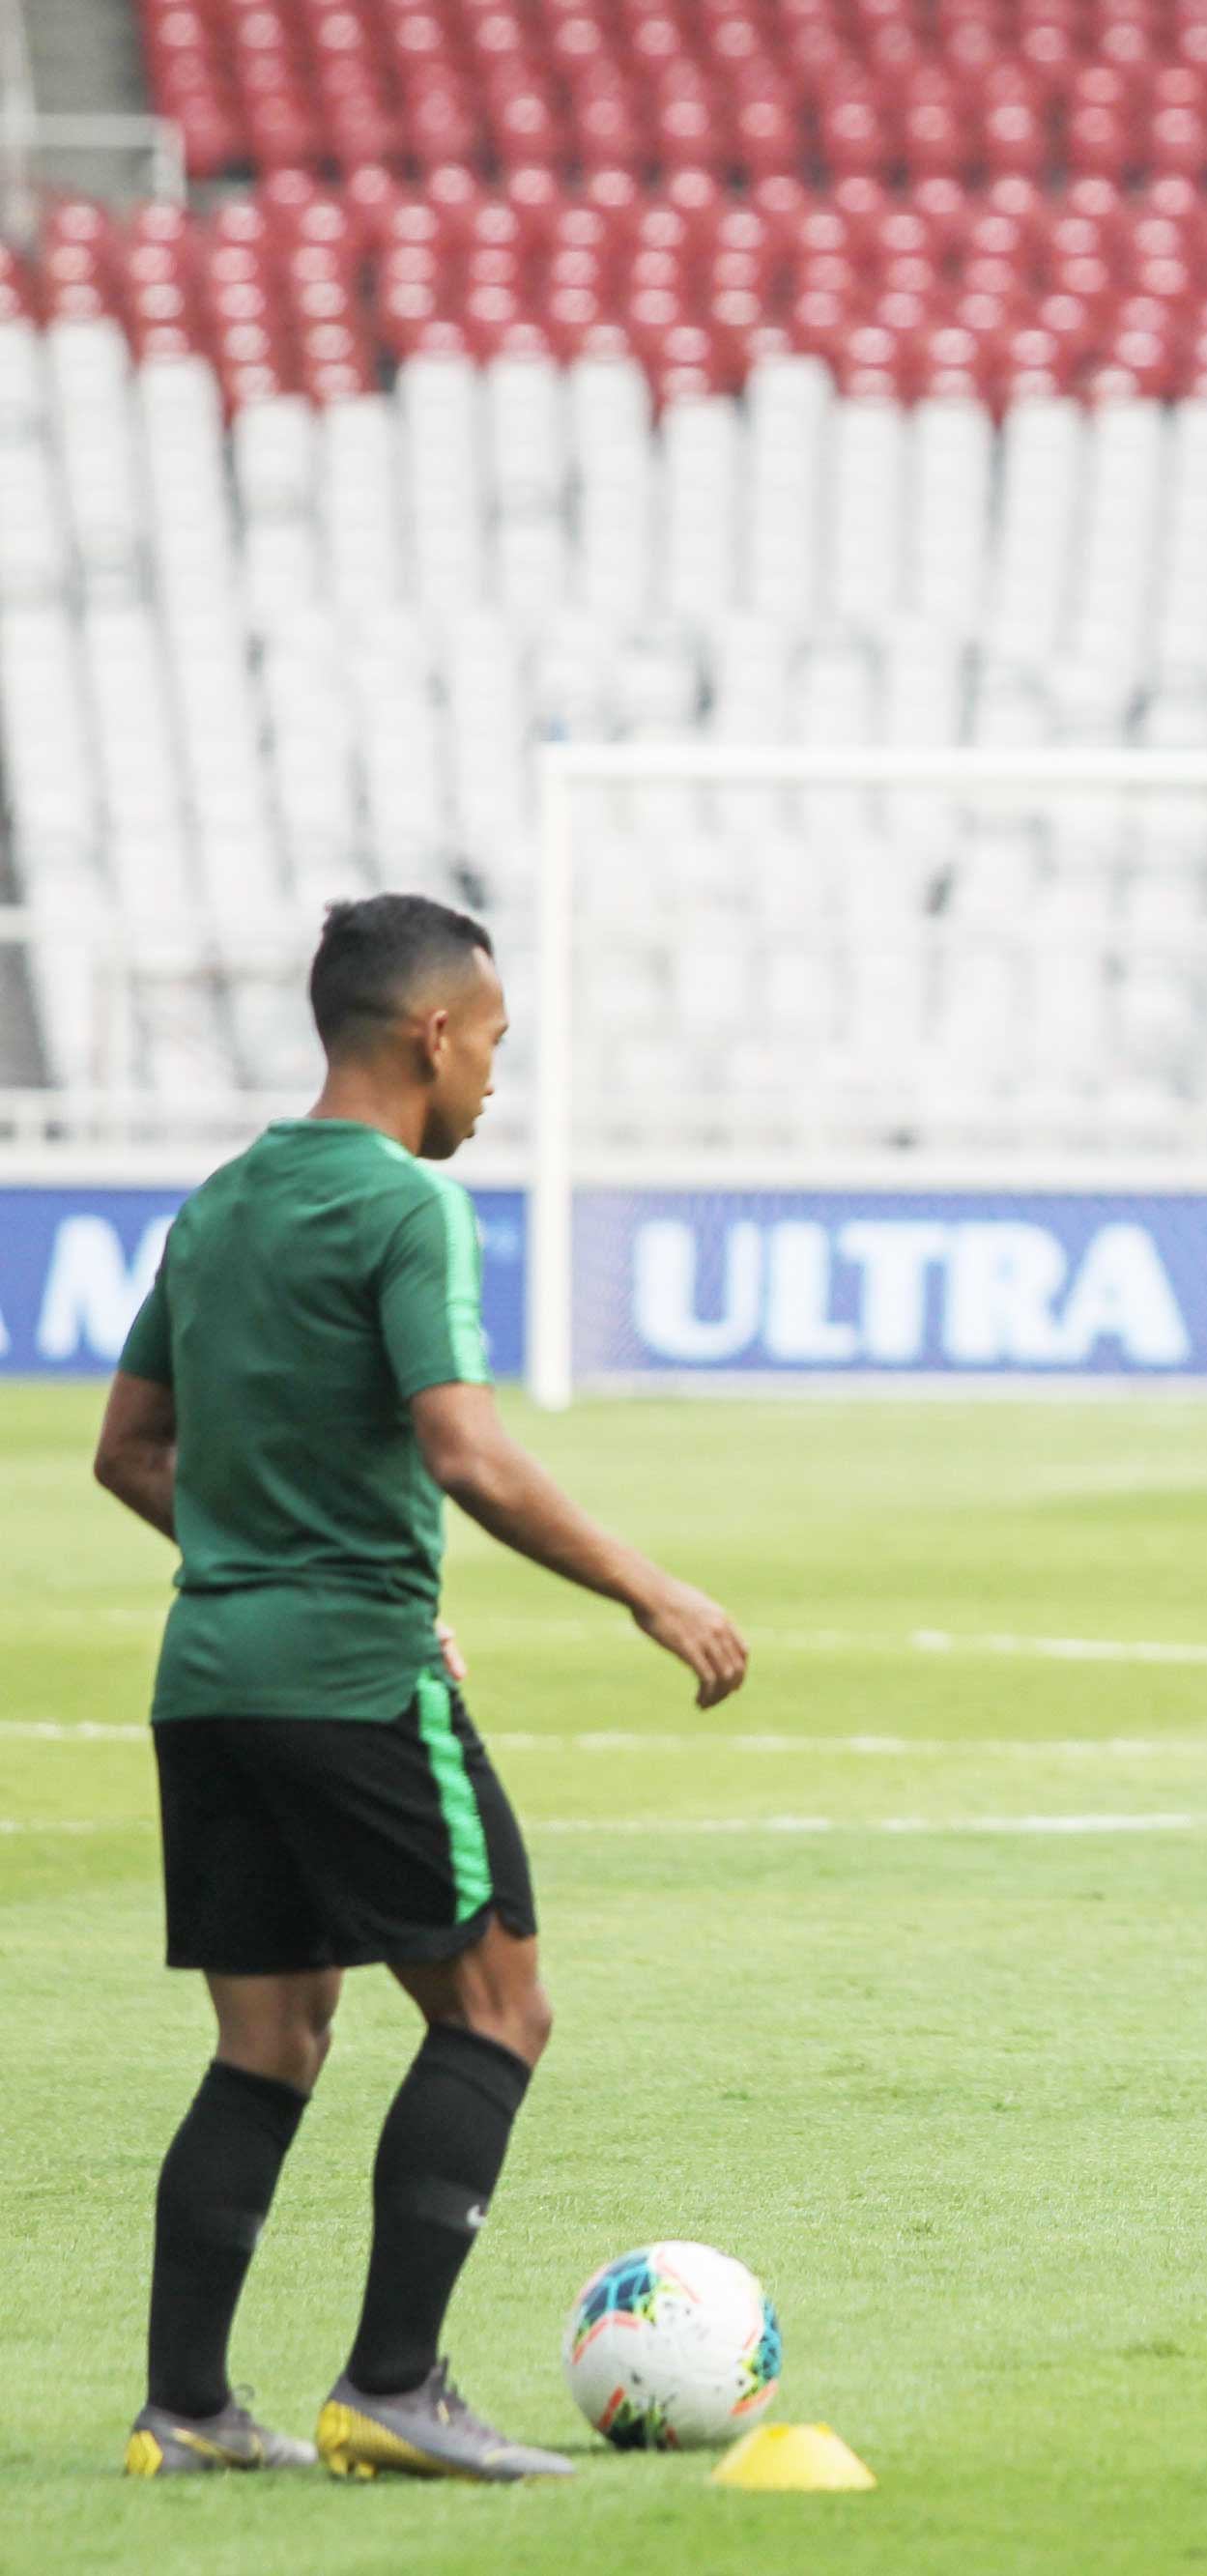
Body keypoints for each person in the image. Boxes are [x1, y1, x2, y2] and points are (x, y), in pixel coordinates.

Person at [99, 895, 750, 2482]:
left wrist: (265, 1553)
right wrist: (652, 1588)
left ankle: (185, 2409)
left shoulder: (219, 1203)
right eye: (495, 1046)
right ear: (433, 1033)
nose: (496, 1082)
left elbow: (127, 1448)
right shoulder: (407, 1207)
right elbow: (465, 1448)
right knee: (499, 2007)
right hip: (347, 1674)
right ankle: (393, 2383)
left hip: (209, 1677)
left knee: (270, 2039)